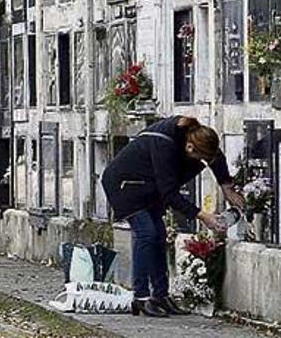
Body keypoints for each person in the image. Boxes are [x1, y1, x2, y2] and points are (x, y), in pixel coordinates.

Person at [101, 116, 244, 318]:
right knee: (146, 234)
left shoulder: (195, 137)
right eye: (201, 159)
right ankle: (140, 297)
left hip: (148, 187)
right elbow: (169, 194)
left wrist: (227, 187)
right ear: (189, 149)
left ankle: (160, 295)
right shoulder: (164, 145)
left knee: (159, 235)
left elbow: (215, 157)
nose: (203, 163)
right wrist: (203, 216)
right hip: (125, 186)